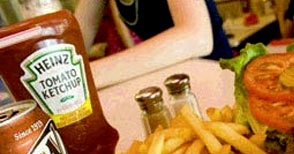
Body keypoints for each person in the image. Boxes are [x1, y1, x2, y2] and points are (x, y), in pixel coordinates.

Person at [75, 0, 232, 89]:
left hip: (216, 78)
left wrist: (83, 77)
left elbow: (197, 37)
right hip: (174, 85)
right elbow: (73, 42)